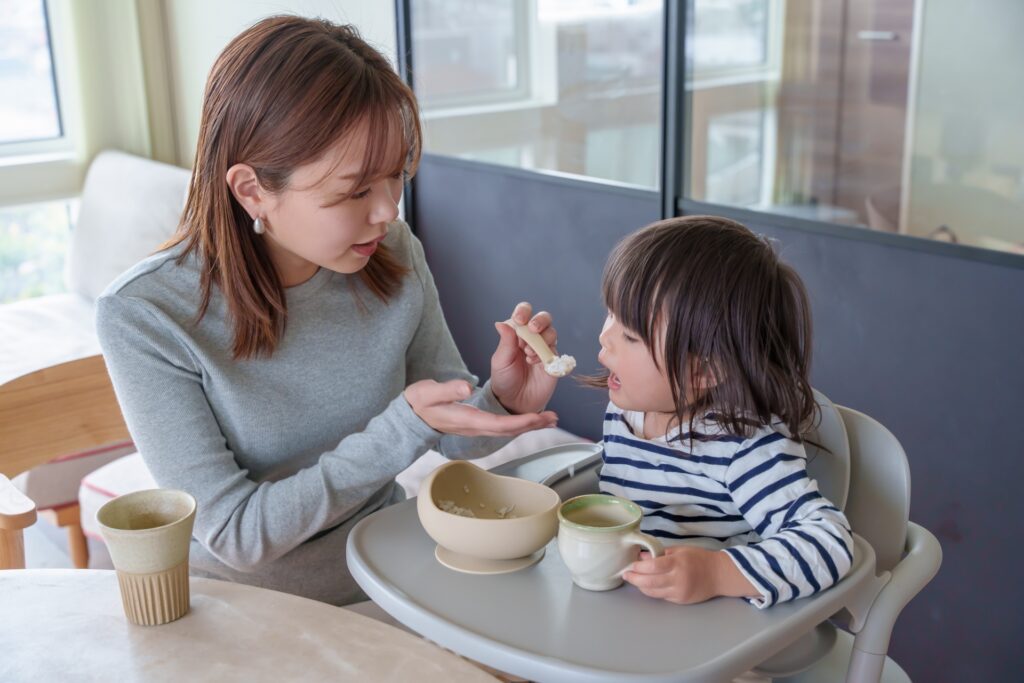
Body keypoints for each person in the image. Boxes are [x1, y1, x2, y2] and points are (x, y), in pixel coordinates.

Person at [96, 16, 562, 606]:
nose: (388, 211)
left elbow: (446, 433)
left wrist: (502, 399)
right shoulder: (145, 315)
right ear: (252, 191)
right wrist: (404, 426)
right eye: (354, 191)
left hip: (391, 568)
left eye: (396, 175)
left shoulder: (392, 253)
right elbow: (236, 534)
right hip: (250, 612)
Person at [591, 216, 853, 607]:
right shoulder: (626, 413)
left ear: (702, 371)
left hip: (718, 650)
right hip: (631, 623)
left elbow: (830, 541)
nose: (604, 336)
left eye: (630, 335)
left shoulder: (741, 447)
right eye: (611, 314)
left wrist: (715, 574)